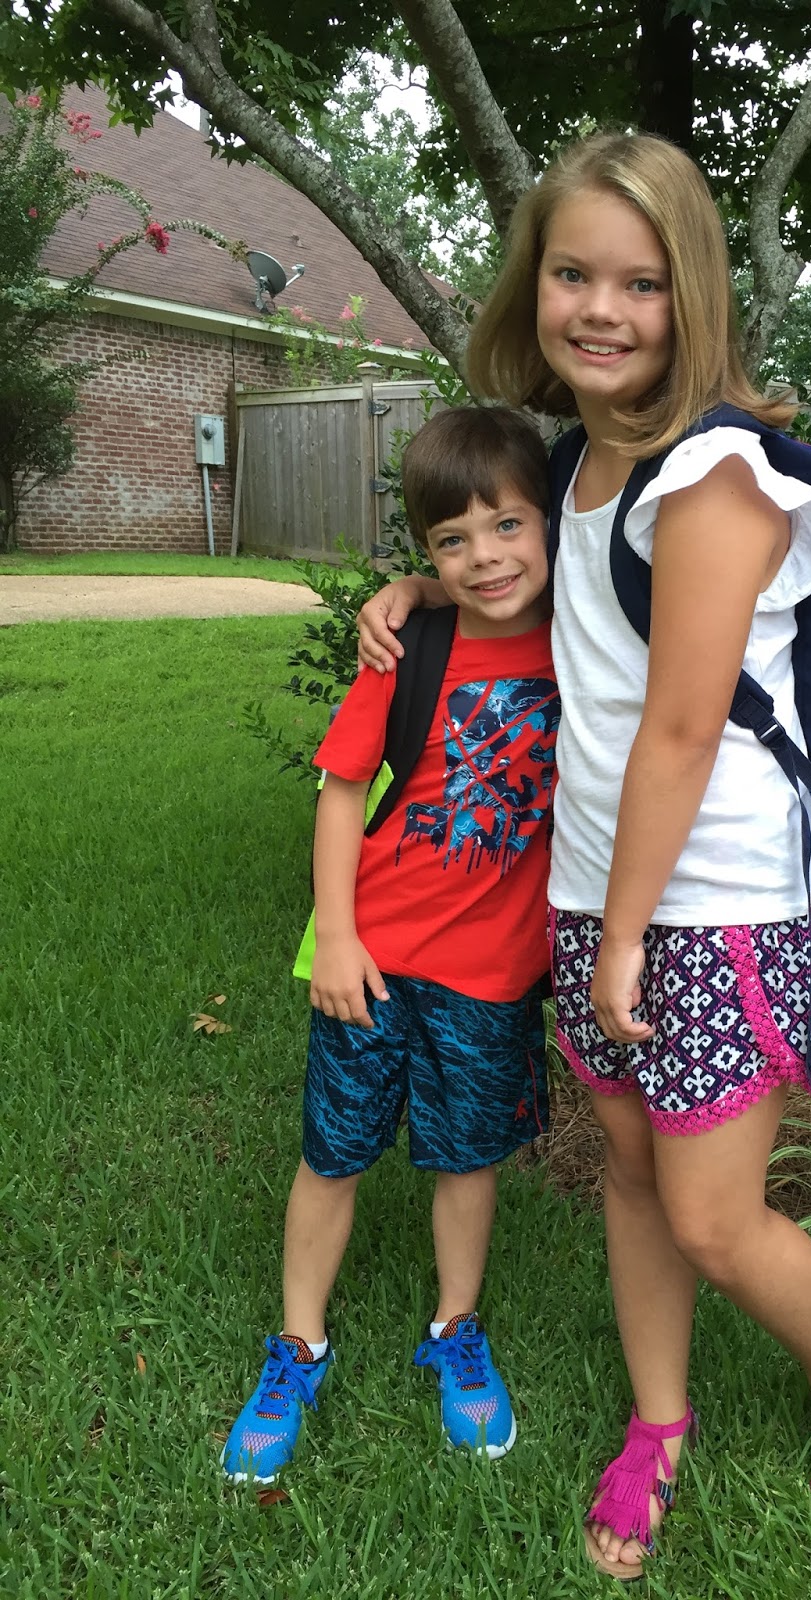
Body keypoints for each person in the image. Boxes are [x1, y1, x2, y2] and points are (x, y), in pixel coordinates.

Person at [357, 133, 811, 1579]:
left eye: (641, 282)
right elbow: (515, 571)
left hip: (709, 906)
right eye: (573, 272)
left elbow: (676, 732)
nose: (600, 307)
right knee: (636, 1178)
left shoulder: (709, 476)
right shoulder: (575, 457)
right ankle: (661, 1420)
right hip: (604, 891)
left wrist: (617, 939)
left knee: (716, 1217)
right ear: (535, 282)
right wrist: (420, 582)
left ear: (691, 296)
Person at [222, 406, 558, 1484]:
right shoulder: (409, 640)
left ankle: (457, 1328)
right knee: (335, 1150)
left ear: (549, 525)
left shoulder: (584, 640)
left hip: (492, 971)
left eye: (507, 525)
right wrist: (336, 937)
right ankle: (298, 1344)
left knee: (466, 1158)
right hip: (367, 960)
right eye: (451, 542)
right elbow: (337, 793)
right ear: (424, 554)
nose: (484, 556)